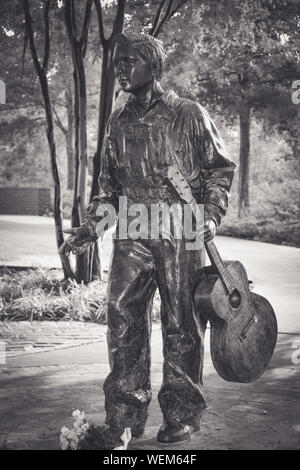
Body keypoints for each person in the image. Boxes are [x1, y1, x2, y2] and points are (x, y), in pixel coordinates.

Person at [60, 32, 236, 446]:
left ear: (153, 67)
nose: (120, 68)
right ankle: (123, 417)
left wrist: (210, 215)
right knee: (122, 322)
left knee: (182, 325)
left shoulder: (189, 114)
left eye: (129, 61)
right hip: (133, 231)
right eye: (118, 62)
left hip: (180, 228)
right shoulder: (118, 122)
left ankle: (182, 415)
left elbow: (220, 169)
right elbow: (108, 190)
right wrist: (92, 228)